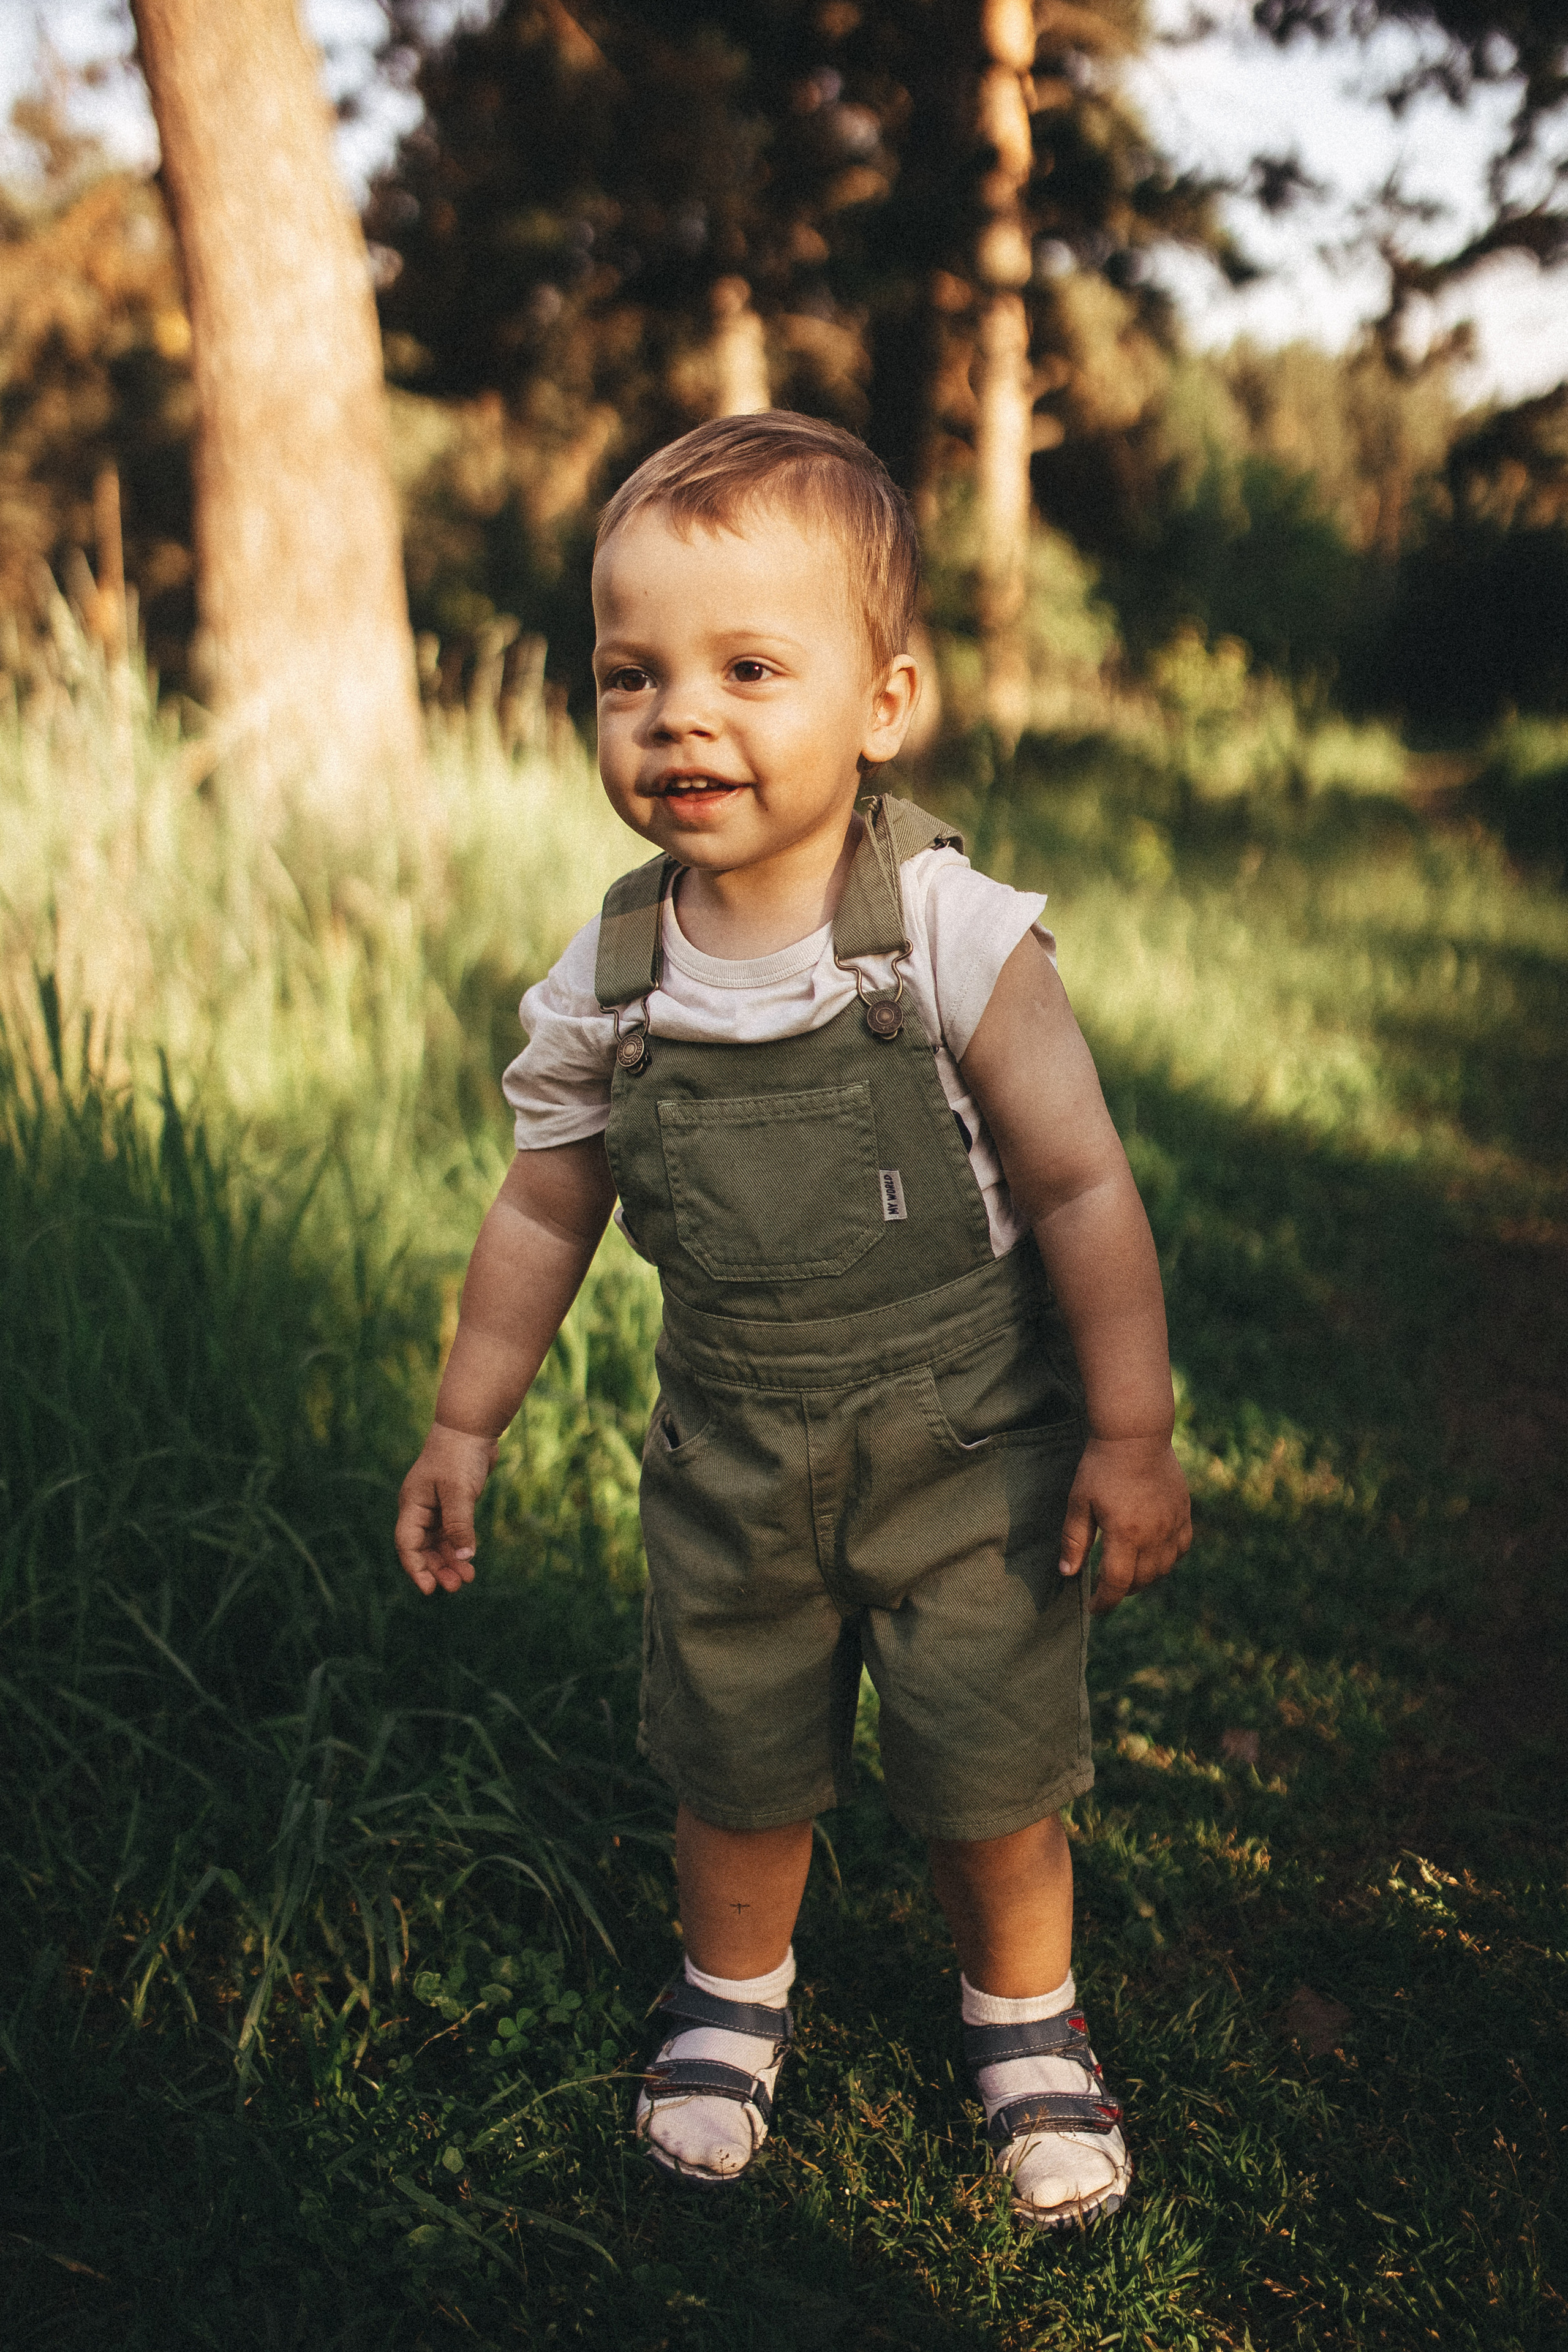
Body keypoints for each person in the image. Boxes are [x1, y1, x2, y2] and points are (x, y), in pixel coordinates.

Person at [394, 412, 1191, 2229]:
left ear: (884, 700)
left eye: (750, 669)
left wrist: (1129, 1432)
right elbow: (543, 1207)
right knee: (735, 1747)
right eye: (633, 675)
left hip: (967, 1447)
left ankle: (1027, 2018)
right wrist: (466, 1423)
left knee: (987, 1754)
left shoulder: (947, 934)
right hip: (735, 1450)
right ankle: (730, 1999)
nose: (682, 717)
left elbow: (1082, 1189)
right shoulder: (609, 980)